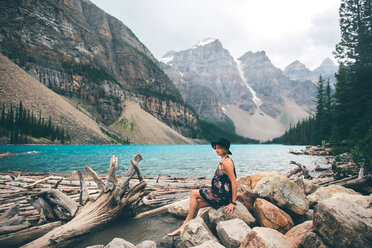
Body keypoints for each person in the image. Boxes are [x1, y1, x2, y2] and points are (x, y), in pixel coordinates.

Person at [167, 138, 237, 236]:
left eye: (219, 148)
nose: (216, 150)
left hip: (221, 195)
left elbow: (234, 182)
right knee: (197, 205)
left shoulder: (227, 162)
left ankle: (184, 226)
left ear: (224, 149)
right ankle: (188, 225)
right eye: (215, 148)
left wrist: (232, 203)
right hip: (219, 193)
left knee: (193, 194)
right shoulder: (224, 160)